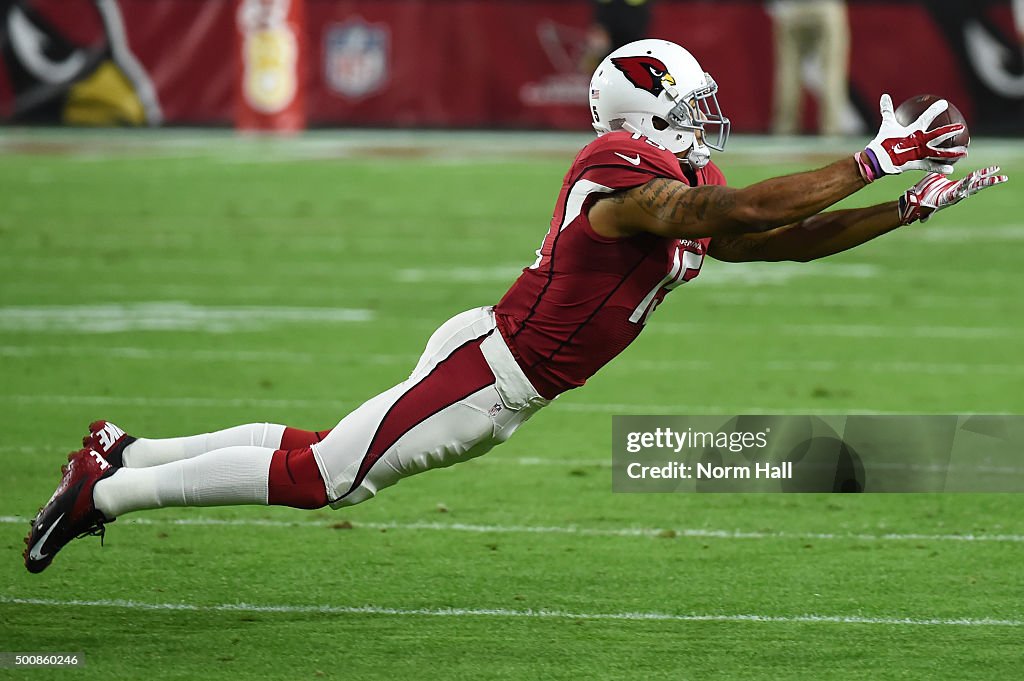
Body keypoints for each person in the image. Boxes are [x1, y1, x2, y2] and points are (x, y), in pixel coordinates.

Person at [24, 39, 1006, 573]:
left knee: (323, 453)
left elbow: (770, 238)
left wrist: (898, 210)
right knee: (327, 478)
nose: (706, 114)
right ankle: (103, 490)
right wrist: (878, 155)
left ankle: (125, 449)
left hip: (497, 370)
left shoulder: (670, 175)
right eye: (689, 100)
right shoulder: (625, 175)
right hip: (488, 374)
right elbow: (734, 208)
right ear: (645, 112)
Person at [769, 0, 850, 136]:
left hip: (791, 10)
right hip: (825, 7)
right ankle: (831, 130)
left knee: (789, 71)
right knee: (832, 70)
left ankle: (784, 129)